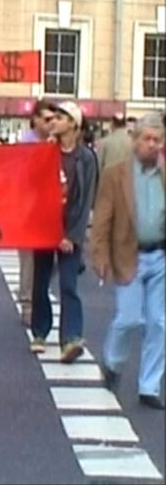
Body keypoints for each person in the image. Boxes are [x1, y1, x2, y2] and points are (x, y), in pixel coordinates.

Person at [92, 113, 165, 410]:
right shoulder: (116, 174)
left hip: (160, 255)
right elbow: (102, 220)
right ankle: (112, 361)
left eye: (157, 140)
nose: (152, 145)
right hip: (128, 255)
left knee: (160, 323)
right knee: (129, 318)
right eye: (147, 139)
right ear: (135, 140)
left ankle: (150, 385)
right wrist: (99, 254)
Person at [30, 101, 97, 363]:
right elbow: (32, 186)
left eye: (60, 117)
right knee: (40, 282)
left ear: (73, 124)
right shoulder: (46, 151)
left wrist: (72, 235)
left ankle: (71, 338)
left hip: (70, 230)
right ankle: (40, 331)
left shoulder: (86, 158)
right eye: (53, 117)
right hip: (45, 226)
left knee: (69, 284)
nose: (53, 121)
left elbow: (86, 199)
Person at [17, 100, 56, 325]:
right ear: (36, 120)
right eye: (47, 119)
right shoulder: (28, 142)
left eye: (54, 119)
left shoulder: (57, 142)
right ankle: (28, 303)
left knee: (52, 260)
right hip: (29, 208)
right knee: (28, 259)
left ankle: (36, 293)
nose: (51, 123)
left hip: (51, 210)